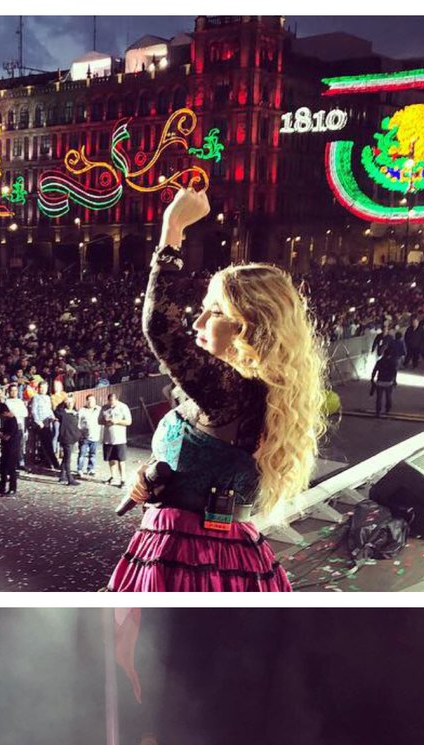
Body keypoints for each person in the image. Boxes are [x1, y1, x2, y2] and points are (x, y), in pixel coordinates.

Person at [108, 188, 325, 592]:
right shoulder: (254, 392)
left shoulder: (235, 392)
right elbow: (207, 466)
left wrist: (172, 229)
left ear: (250, 326)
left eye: (215, 312)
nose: (198, 322)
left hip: (190, 557)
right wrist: (155, 480)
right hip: (216, 549)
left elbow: (160, 327)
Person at [99, 393, 131, 487]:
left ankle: (123, 479)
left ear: (117, 399)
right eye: (109, 401)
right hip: (108, 438)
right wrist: (105, 421)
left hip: (119, 438)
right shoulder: (104, 407)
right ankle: (113, 476)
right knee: (111, 459)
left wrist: (117, 421)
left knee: (121, 459)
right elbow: (99, 421)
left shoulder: (123, 407)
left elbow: (129, 421)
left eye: (113, 401)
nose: (111, 404)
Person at [0, 401, 21, 496]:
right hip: (7, 447)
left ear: (4, 413)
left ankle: (12, 488)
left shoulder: (12, 421)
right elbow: (5, 430)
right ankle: (2, 486)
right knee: (3, 467)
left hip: (12, 448)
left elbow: (7, 436)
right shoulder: (8, 420)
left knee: (11, 469)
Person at [55, 393, 82, 485]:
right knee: (68, 459)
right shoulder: (62, 413)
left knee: (66, 457)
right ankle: (70, 479)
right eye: (68, 402)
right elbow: (56, 411)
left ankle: (62, 475)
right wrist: (63, 401)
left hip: (73, 437)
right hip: (66, 438)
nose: (70, 404)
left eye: (72, 402)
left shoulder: (76, 413)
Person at [78, 394, 103, 480]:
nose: (91, 402)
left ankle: (91, 469)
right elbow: (78, 422)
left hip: (95, 435)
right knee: (82, 454)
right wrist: (80, 432)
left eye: (92, 400)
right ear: (86, 401)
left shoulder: (99, 409)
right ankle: (80, 469)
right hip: (84, 437)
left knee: (93, 454)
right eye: (89, 400)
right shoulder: (82, 410)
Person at [371, 348, 398, 417]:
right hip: (388, 382)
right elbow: (394, 372)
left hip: (380, 381)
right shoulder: (393, 362)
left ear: (384, 354)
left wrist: (372, 378)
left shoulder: (379, 361)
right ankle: (387, 410)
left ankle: (378, 412)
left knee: (379, 398)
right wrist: (394, 380)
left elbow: (375, 370)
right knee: (388, 396)